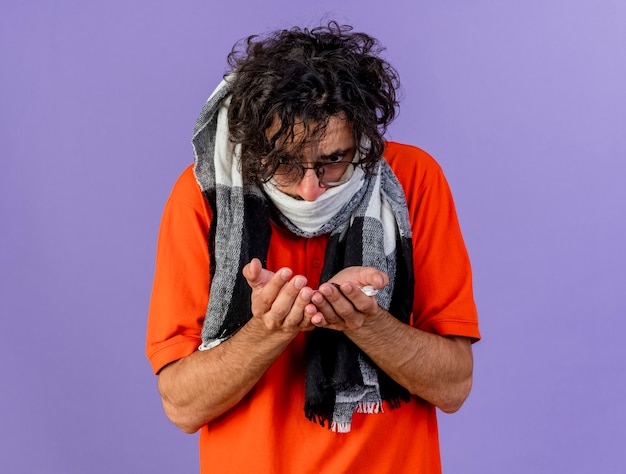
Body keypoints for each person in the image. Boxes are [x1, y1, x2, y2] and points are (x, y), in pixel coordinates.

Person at [146, 21, 480, 473]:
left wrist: (366, 323)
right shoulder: (201, 199)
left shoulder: (414, 180)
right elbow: (183, 407)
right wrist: (269, 329)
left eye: (334, 161)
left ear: (362, 139)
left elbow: (454, 386)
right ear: (252, 143)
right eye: (283, 163)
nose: (309, 190)